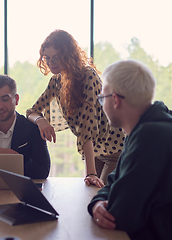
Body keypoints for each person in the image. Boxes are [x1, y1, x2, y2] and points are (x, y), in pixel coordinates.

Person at [87, 60, 172, 239]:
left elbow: (118, 216)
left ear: (115, 100)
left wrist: (100, 204)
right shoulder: (145, 130)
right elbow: (113, 182)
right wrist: (98, 202)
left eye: (102, 99)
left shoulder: (151, 136)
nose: (101, 105)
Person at [26, 30, 124, 187]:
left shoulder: (88, 75)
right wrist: (40, 121)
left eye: (56, 58)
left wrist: (91, 173)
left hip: (115, 149)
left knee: (102, 196)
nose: (51, 63)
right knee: (91, 195)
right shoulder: (56, 81)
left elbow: (87, 126)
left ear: (68, 55)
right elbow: (32, 111)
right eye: (48, 58)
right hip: (96, 151)